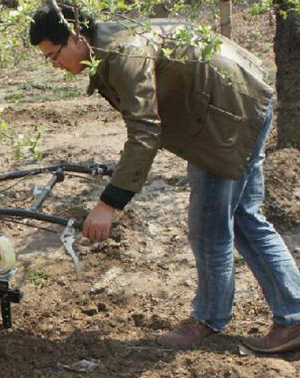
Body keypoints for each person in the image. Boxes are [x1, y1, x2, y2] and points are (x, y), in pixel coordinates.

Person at [29, 3, 300, 352]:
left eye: (53, 56)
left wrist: (109, 203)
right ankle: (292, 314)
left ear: (76, 36)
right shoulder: (113, 41)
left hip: (225, 121)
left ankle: (211, 318)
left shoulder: (124, 52)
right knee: (244, 216)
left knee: (209, 226)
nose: (54, 65)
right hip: (241, 101)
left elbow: (144, 132)